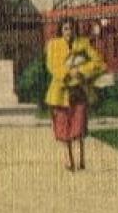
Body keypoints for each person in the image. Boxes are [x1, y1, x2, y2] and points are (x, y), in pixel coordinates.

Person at [44, 18, 106, 171]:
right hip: (60, 92)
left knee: (78, 128)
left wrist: (81, 70)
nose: (68, 32)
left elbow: (99, 63)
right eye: (65, 29)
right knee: (63, 127)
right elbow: (52, 65)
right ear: (61, 30)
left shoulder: (83, 43)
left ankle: (80, 160)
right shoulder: (53, 45)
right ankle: (68, 160)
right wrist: (66, 73)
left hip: (79, 90)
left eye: (71, 28)